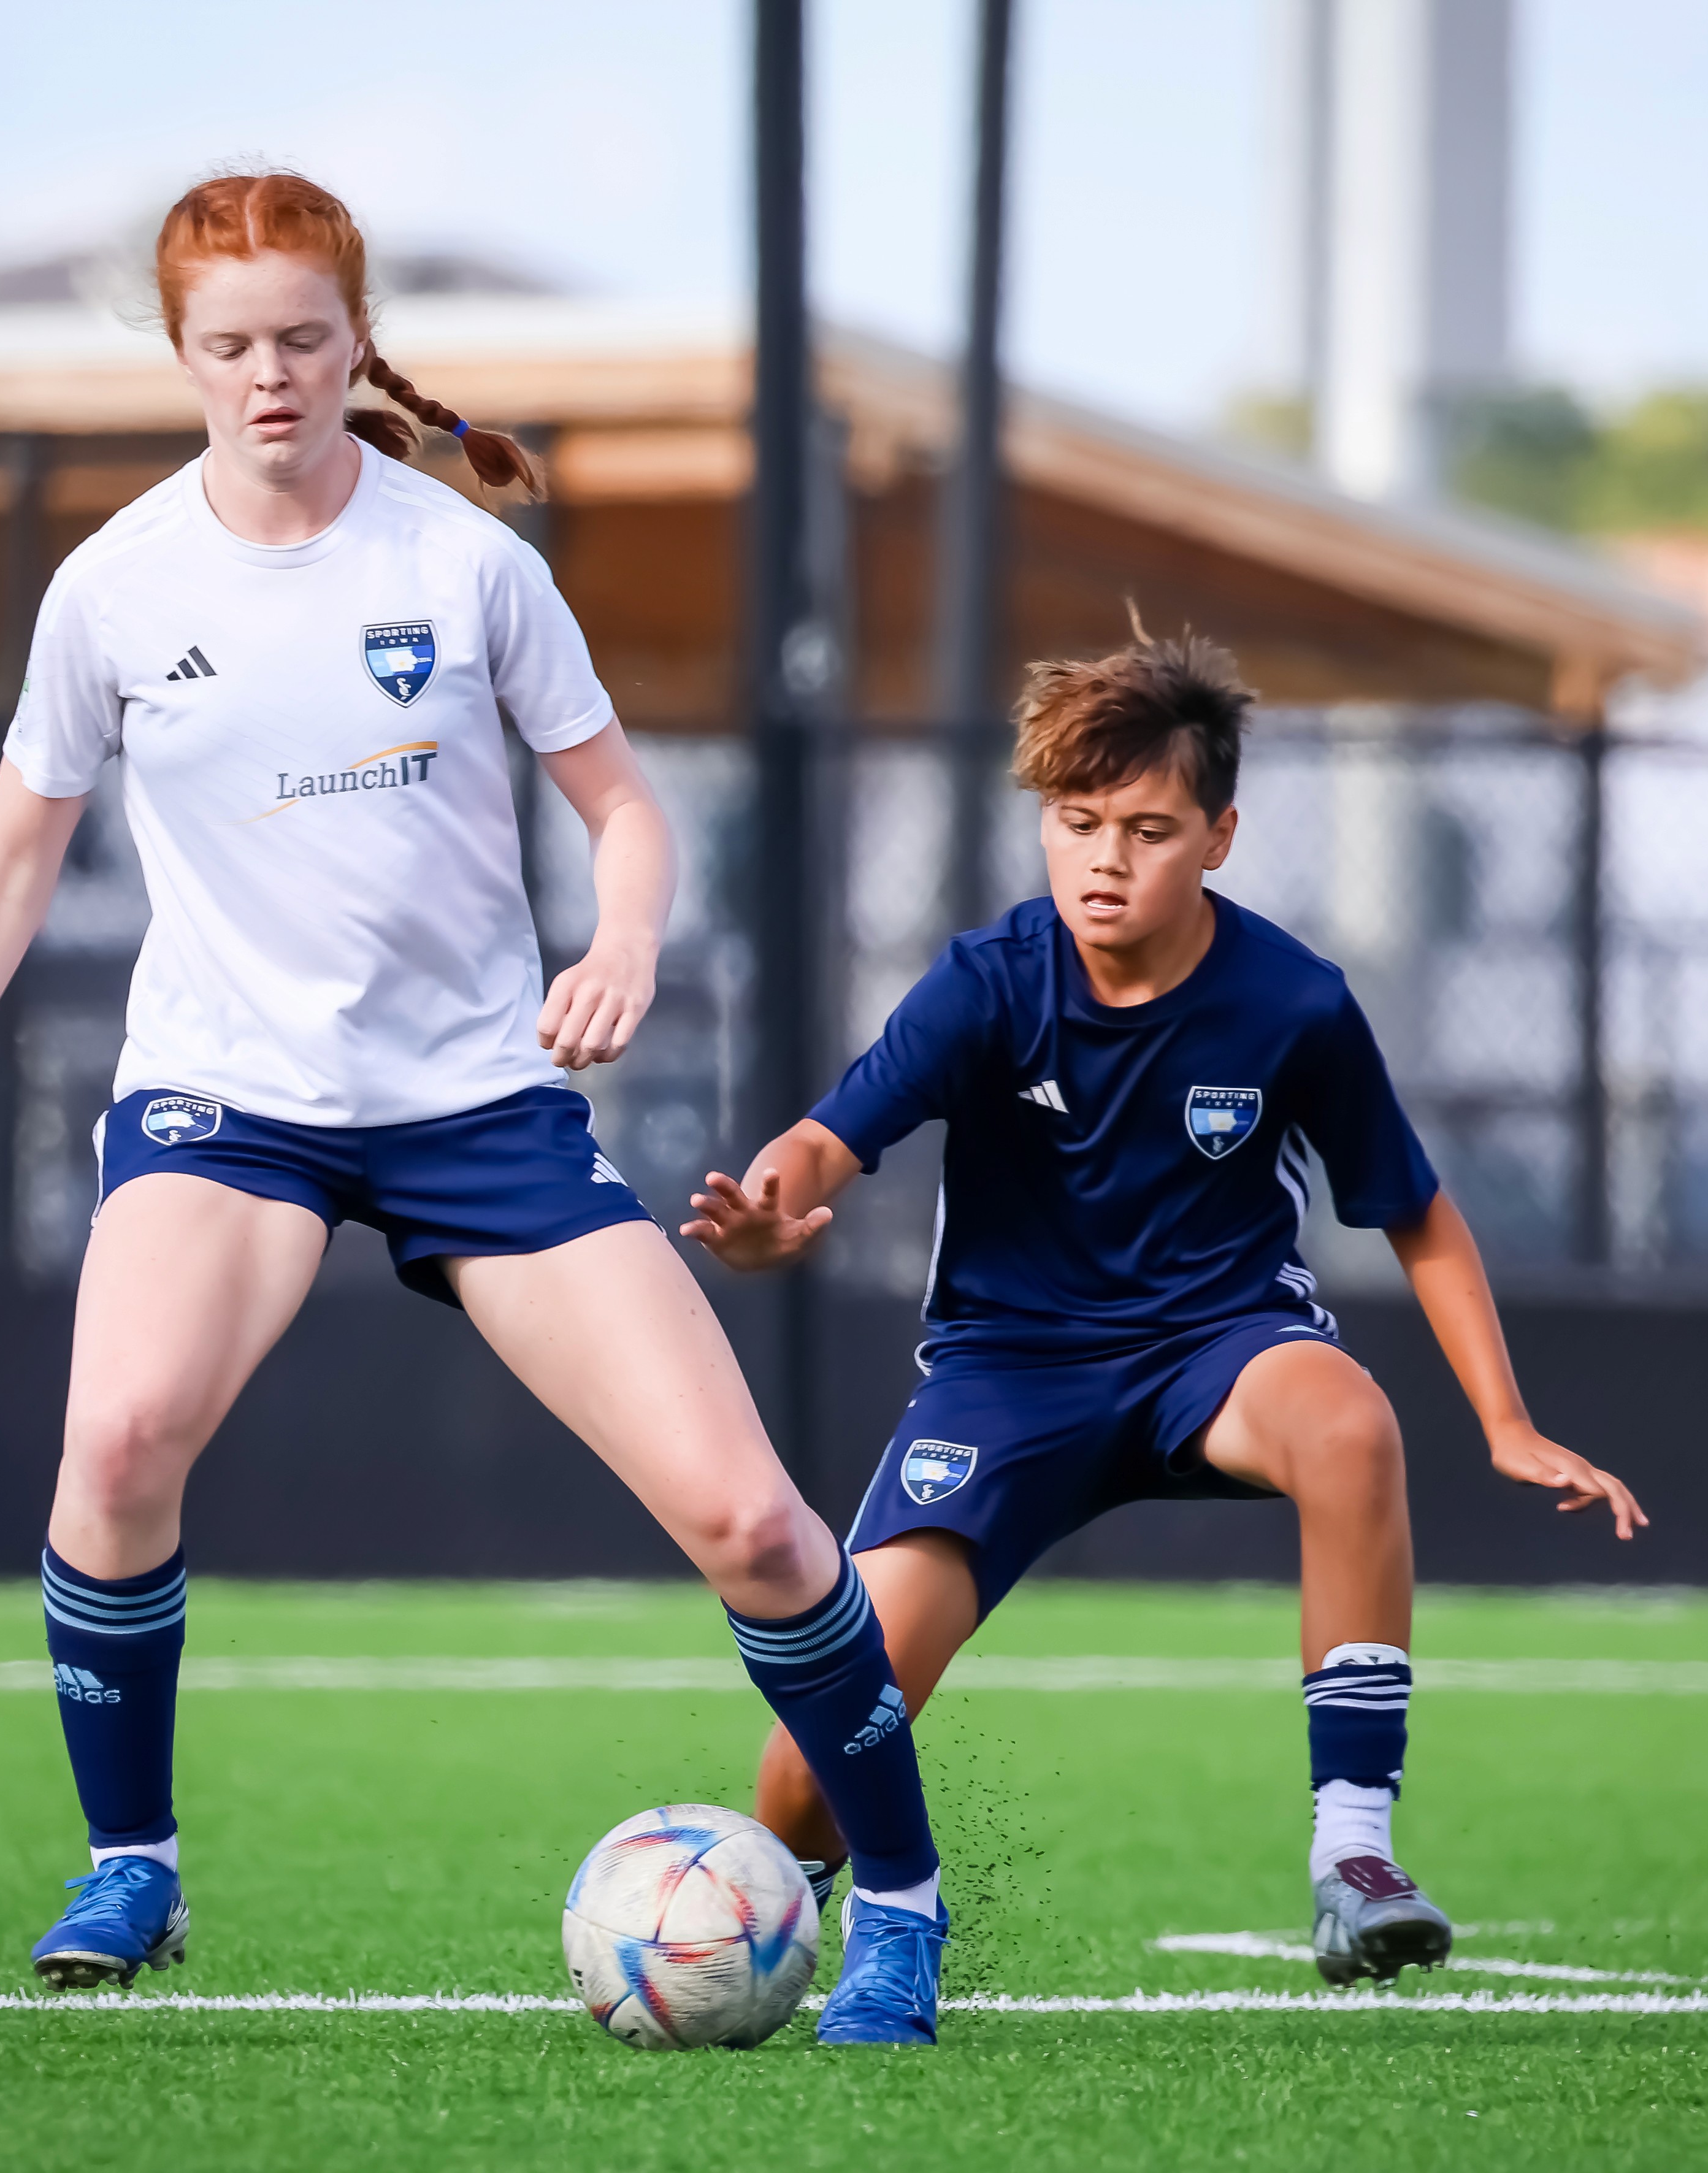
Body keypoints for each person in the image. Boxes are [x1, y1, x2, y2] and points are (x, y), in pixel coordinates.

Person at [0, 170, 946, 2042]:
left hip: (476, 1109)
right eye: (228, 348)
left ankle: (899, 1899)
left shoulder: (464, 566)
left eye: (301, 342)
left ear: (358, 341)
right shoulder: (112, 588)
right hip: (225, 1099)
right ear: (177, 355)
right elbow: (9, 868)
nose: (268, 380)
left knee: (749, 1519)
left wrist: (627, 940)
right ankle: (131, 1863)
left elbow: (625, 808)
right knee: (115, 1445)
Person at [682, 624, 1647, 1984]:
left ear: (1219, 835)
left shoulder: (1293, 1002)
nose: (1102, 859)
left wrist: (1502, 1417)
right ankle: (793, 1921)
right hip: (1005, 1379)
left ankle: (1352, 1849)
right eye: (1074, 823)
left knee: (1350, 1425)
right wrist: (773, 1205)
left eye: (1144, 827)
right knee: (799, 1777)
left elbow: (1414, 1210)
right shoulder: (987, 982)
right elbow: (828, 1135)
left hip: (1217, 1351)